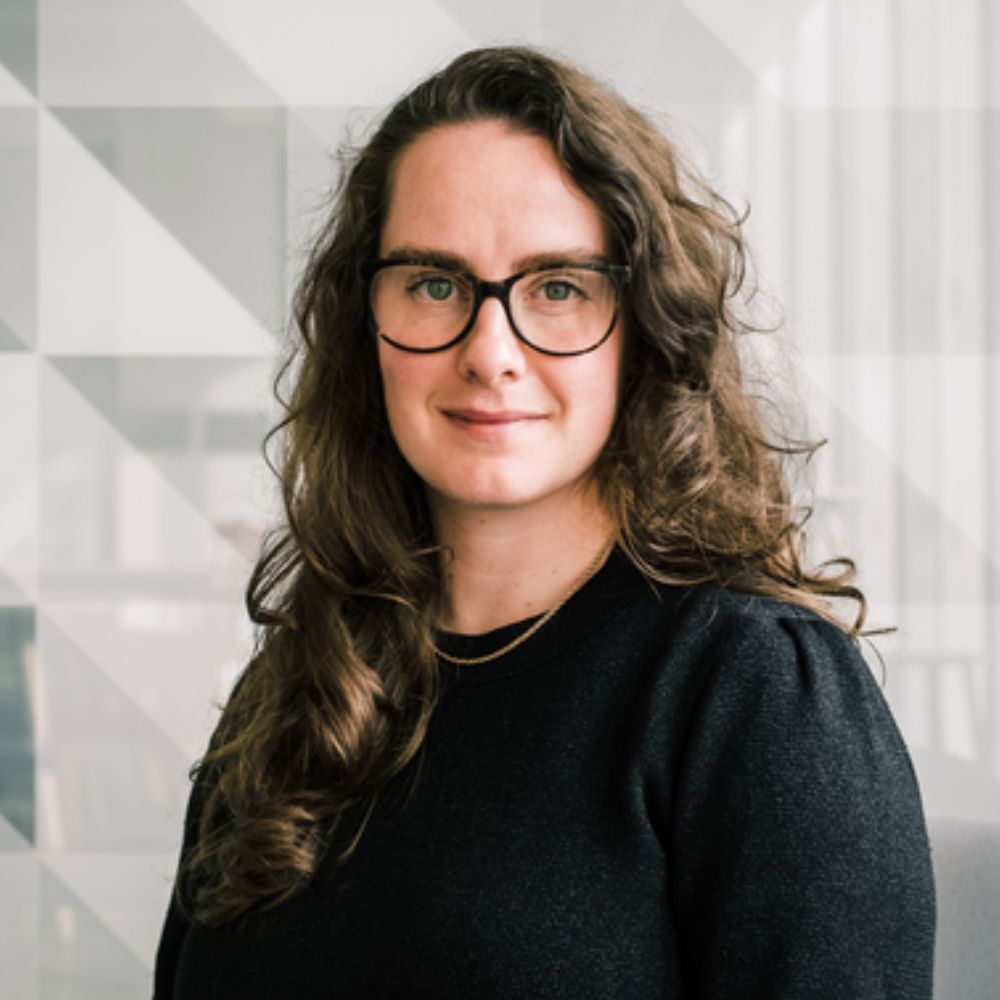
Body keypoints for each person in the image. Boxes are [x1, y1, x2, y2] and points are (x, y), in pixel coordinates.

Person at [153, 45, 935, 999]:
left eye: (558, 288)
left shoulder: (751, 690)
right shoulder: (310, 678)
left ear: (641, 327)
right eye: (434, 284)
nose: (491, 352)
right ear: (367, 327)